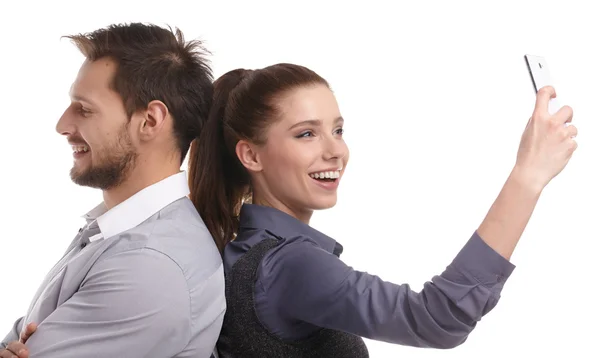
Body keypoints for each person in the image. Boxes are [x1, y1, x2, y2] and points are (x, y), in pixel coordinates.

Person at [187, 63, 578, 357]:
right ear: (250, 155)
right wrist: (528, 177)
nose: (335, 150)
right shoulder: (290, 265)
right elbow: (438, 318)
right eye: (306, 133)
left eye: (337, 130)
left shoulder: (243, 250)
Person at [0, 23, 225, 358]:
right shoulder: (121, 231)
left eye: (84, 109)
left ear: (150, 121)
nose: (63, 125)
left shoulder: (150, 266)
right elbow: (19, 337)